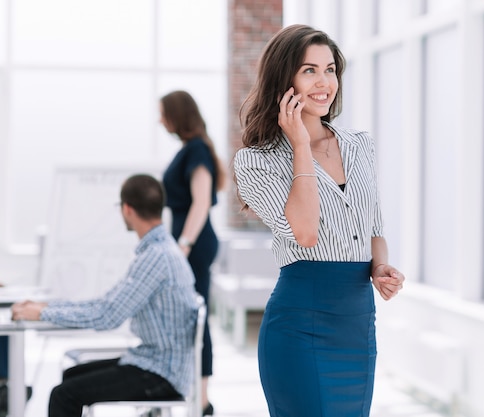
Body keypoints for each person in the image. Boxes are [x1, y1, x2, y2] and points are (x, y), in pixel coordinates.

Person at [233, 24, 406, 417]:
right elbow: (306, 233)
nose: (324, 82)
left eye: (330, 69)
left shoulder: (360, 145)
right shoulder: (256, 161)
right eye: (309, 70)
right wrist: (299, 145)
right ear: (285, 78)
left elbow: (373, 225)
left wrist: (380, 268)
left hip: (356, 323)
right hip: (299, 325)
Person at [10, 174, 199, 417]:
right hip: (158, 361)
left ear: (127, 209)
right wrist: (45, 306)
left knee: (63, 394)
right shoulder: (160, 250)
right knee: (71, 377)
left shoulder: (156, 258)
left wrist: (44, 313)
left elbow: (107, 316)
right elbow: (107, 302)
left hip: (161, 373)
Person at [159, 90, 227, 416]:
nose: (159, 119)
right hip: (187, 241)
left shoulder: (197, 149)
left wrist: (183, 245)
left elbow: (201, 202)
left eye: (163, 113)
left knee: (196, 318)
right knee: (186, 316)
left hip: (194, 244)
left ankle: (202, 402)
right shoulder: (190, 149)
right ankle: (190, 393)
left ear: (177, 115)